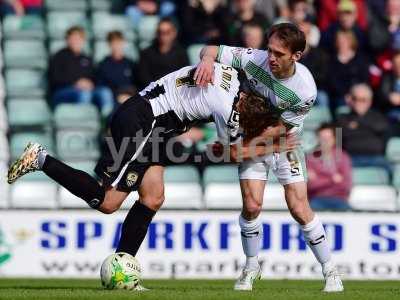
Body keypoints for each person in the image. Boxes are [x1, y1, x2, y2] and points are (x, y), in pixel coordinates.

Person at [7, 62, 296, 290]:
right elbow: (229, 154)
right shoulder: (227, 107)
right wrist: (275, 144)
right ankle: (41, 159)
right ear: (245, 107)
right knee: (108, 202)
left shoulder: (233, 79)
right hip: (143, 122)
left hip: (152, 124)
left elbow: (210, 56)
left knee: (153, 197)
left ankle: (122, 274)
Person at [195, 22, 344, 292]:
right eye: (269, 50)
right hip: (258, 138)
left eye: (278, 54)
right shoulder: (256, 59)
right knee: (252, 206)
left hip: (285, 142)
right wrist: (206, 61)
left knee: (299, 208)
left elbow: (280, 129)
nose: (271, 58)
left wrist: (250, 147)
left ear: (296, 56)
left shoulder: (304, 90)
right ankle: (251, 266)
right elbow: (212, 49)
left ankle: (330, 270)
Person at [48, 26, 114, 118]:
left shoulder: (86, 58)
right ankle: (83, 122)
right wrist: (75, 83)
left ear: (83, 40)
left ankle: (107, 120)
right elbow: (55, 79)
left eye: (79, 38)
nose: (76, 41)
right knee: (84, 94)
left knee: (105, 92)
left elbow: (95, 77)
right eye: (73, 38)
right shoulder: (59, 57)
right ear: (67, 40)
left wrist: (91, 84)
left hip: (87, 90)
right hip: (62, 92)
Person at [337, 83, 390, 171]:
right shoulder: (342, 118)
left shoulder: (378, 116)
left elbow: (381, 128)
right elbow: (339, 138)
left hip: (375, 158)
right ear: (350, 99)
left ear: (370, 101)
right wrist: (367, 126)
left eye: (363, 100)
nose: (358, 102)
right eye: (355, 98)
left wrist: (358, 122)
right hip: (351, 158)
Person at [306, 123, 352, 211]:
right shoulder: (310, 158)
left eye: (328, 138)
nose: (325, 141)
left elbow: (346, 186)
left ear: (334, 139)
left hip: (339, 199)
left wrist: (319, 178)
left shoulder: (343, 157)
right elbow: (310, 186)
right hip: (316, 199)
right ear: (318, 139)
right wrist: (332, 179)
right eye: (323, 138)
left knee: (350, 214)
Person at [137, 17, 189, 89]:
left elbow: (184, 76)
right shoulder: (146, 53)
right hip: (152, 93)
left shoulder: (181, 53)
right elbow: (143, 78)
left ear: (174, 33)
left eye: (167, 32)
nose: (163, 36)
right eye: (160, 32)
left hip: (174, 92)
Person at [96, 31, 137, 104]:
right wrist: (117, 96)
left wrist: (129, 96)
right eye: (113, 43)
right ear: (109, 45)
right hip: (112, 99)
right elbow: (101, 85)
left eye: (119, 43)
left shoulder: (130, 64)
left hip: (129, 98)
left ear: (123, 43)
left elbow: (136, 84)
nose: (116, 46)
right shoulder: (103, 64)